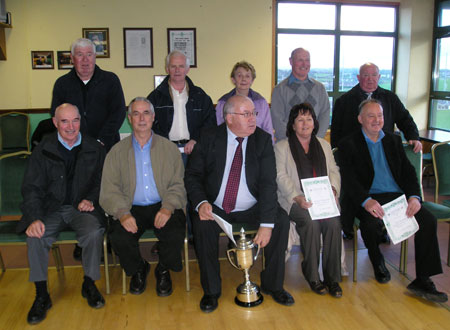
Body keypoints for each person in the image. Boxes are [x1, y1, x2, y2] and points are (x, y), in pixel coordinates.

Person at [185, 95, 294, 313]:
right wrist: (201, 203)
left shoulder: (262, 140)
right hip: (215, 205)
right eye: (246, 114)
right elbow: (193, 176)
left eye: (254, 113)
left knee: (280, 221)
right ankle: (211, 291)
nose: (253, 118)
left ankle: (273, 285)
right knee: (202, 225)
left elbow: (267, 184)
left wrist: (266, 224)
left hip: (251, 206)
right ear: (229, 118)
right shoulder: (208, 137)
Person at [338, 99, 447, 303]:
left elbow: (409, 173)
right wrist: (365, 201)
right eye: (371, 116)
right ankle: (377, 259)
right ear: (360, 119)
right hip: (368, 197)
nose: (376, 120)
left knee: (428, 220)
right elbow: (349, 180)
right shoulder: (348, 143)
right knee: (370, 224)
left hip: (397, 197)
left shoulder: (393, 140)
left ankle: (423, 279)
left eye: (380, 116)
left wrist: (415, 197)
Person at [17, 103, 106, 325]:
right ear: (55, 123)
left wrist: (91, 199)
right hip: (49, 210)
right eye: (64, 121)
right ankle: (41, 295)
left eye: (75, 120)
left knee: (94, 232)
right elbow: (31, 188)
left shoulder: (94, 148)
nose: (70, 126)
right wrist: (34, 218)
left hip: (81, 208)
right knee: (35, 236)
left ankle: (89, 283)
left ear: (80, 121)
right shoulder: (42, 150)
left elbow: (102, 181)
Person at [100, 97, 186, 297]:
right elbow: (109, 189)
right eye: (136, 113)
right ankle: (139, 268)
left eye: (146, 113)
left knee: (174, 231)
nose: (141, 118)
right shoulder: (116, 152)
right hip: (130, 207)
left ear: (153, 117)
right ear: (129, 119)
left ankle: (163, 269)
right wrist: (122, 213)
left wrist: (168, 207)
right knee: (119, 236)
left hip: (163, 203)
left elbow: (178, 184)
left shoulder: (169, 148)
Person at [274, 103, 342, 298]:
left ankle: (332, 278)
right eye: (300, 120)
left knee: (334, 223)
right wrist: (297, 196)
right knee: (310, 223)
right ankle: (313, 276)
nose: (305, 124)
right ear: (293, 125)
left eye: (309, 119)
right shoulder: (282, 147)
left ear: (315, 123)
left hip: (323, 200)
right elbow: (280, 176)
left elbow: (334, 171)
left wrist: (334, 189)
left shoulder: (324, 145)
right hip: (294, 200)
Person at [51, 38, 126, 152]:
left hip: (106, 146)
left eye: (89, 54)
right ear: (72, 58)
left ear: (95, 56)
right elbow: (56, 115)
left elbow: (118, 113)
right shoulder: (62, 84)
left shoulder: (111, 80)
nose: (85, 60)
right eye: (80, 54)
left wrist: (101, 140)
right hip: (73, 147)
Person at [331, 62, 421, 153]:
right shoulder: (344, 101)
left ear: (379, 77)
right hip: (354, 153)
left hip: (384, 151)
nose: (370, 79)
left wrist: (413, 137)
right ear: (358, 78)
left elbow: (405, 119)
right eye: (366, 75)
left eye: (374, 75)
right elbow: (336, 132)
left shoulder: (390, 98)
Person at [147, 50, 216, 158]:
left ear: (187, 69)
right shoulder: (155, 97)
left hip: (195, 150)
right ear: (167, 69)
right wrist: (164, 142)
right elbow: (149, 123)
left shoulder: (200, 96)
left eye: (181, 66)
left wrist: (196, 140)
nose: (177, 70)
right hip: (165, 151)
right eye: (173, 66)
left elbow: (210, 122)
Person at [271, 48, 330, 141]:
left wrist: (314, 141)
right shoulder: (279, 90)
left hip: (314, 146)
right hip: (288, 146)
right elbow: (277, 121)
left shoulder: (320, 88)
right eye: (300, 60)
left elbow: (325, 116)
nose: (304, 64)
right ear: (291, 61)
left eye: (307, 60)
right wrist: (295, 143)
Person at [216, 61, 274, 141]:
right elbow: (219, 129)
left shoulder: (261, 102)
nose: (243, 79)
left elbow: (268, 129)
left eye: (247, 76)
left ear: (252, 80)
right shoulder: (223, 102)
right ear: (233, 80)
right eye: (239, 76)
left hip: (257, 145)